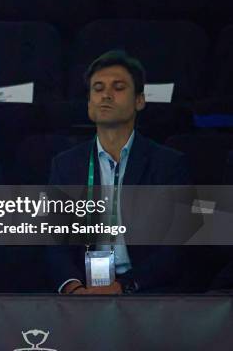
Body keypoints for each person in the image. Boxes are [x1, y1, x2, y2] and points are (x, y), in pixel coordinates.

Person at [48, 50, 191, 294]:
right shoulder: (66, 164)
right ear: (89, 104)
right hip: (83, 290)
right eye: (98, 88)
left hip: (144, 290)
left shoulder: (168, 164)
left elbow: (176, 246)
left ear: (139, 100)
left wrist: (125, 286)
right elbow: (53, 241)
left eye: (118, 87)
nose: (106, 95)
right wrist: (72, 287)